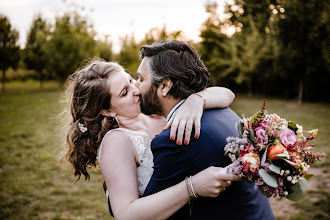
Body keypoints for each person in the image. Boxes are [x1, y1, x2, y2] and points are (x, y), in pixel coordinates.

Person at [65, 59, 240, 220]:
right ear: (107, 111)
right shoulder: (117, 141)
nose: (136, 90)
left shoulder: (154, 111)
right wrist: (192, 187)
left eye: (131, 80)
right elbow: (126, 214)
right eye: (125, 93)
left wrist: (196, 100)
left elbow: (227, 94)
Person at [137, 40, 276, 219]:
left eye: (141, 79)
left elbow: (149, 212)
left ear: (165, 86)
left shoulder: (176, 137)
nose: (136, 86)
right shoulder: (221, 110)